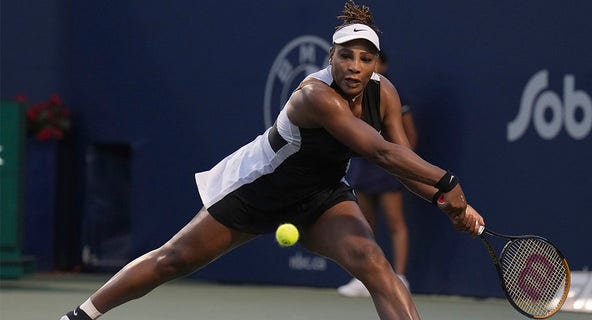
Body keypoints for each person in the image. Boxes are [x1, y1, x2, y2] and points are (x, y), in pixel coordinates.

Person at [59, 1, 484, 319]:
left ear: (375, 63)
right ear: (330, 57)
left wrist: (449, 205)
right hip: (257, 191)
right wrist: (449, 184)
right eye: (345, 56)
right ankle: (81, 315)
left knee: (373, 262)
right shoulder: (315, 96)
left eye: (365, 58)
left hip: (322, 197)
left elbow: (401, 161)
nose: (354, 67)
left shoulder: (383, 93)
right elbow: (379, 152)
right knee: (172, 260)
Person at [338, 51, 418, 297]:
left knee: (395, 222)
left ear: (380, 64)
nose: (359, 66)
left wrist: (399, 161)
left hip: (388, 168)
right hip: (364, 165)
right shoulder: (351, 94)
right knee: (365, 223)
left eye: (368, 61)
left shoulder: (391, 93)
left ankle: (400, 278)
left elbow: (410, 137)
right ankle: (364, 278)